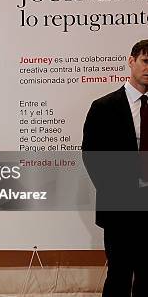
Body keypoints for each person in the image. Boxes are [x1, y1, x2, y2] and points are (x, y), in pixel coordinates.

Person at [82, 39, 148, 297]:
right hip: (121, 207)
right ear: (131, 61)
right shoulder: (104, 107)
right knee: (119, 275)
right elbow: (92, 157)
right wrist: (121, 193)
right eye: (146, 61)